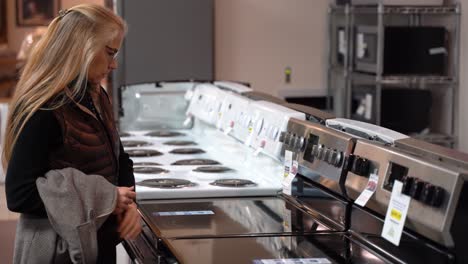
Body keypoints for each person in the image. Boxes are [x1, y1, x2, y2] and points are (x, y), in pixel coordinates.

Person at [3, 4, 141, 263]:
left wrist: (129, 203)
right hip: (56, 250)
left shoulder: (96, 95)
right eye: (109, 52)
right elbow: (19, 194)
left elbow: (120, 158)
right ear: (82, 48)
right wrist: (108, 198)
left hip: (98, 243)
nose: (113, 64)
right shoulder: (44, 108)